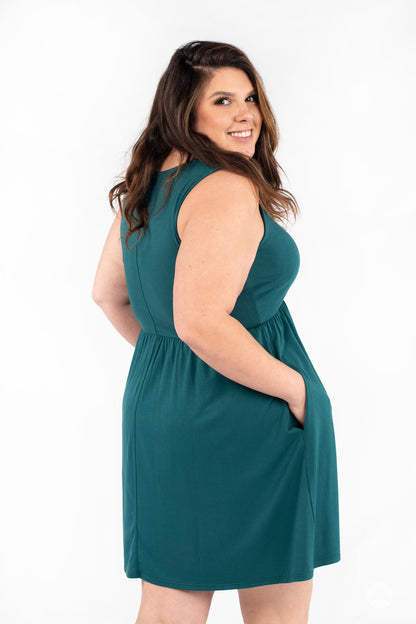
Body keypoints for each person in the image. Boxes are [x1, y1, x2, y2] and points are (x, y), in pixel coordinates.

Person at [92, 40, 340, 624]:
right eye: (222, 100)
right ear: (185, 110)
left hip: (161, 411)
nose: (245, 114)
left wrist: (178, 372)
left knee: (167, 606)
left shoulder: (145, 185)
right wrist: (298, 390)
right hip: (251, 412)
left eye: (249, 97)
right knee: (275, 610)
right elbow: (200, 321)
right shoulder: (226, 187)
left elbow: (109, 295)